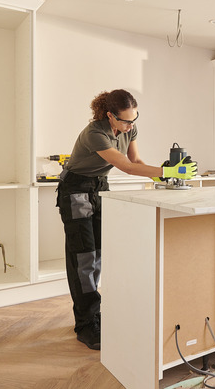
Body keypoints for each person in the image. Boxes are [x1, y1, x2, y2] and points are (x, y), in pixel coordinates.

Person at [56, 89, 197, 350]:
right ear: (110, 116)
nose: (130, 125)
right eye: (125, 120)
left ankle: (94, 314)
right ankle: (85, 325)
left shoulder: (130, 130)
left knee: (97, 253)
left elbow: (137, 160)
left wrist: (162, 176)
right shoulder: (94, 133)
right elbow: (127, 167)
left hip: (99, 187)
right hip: (75, 190)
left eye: (134, 119)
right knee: (82, 257)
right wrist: (167, 170)